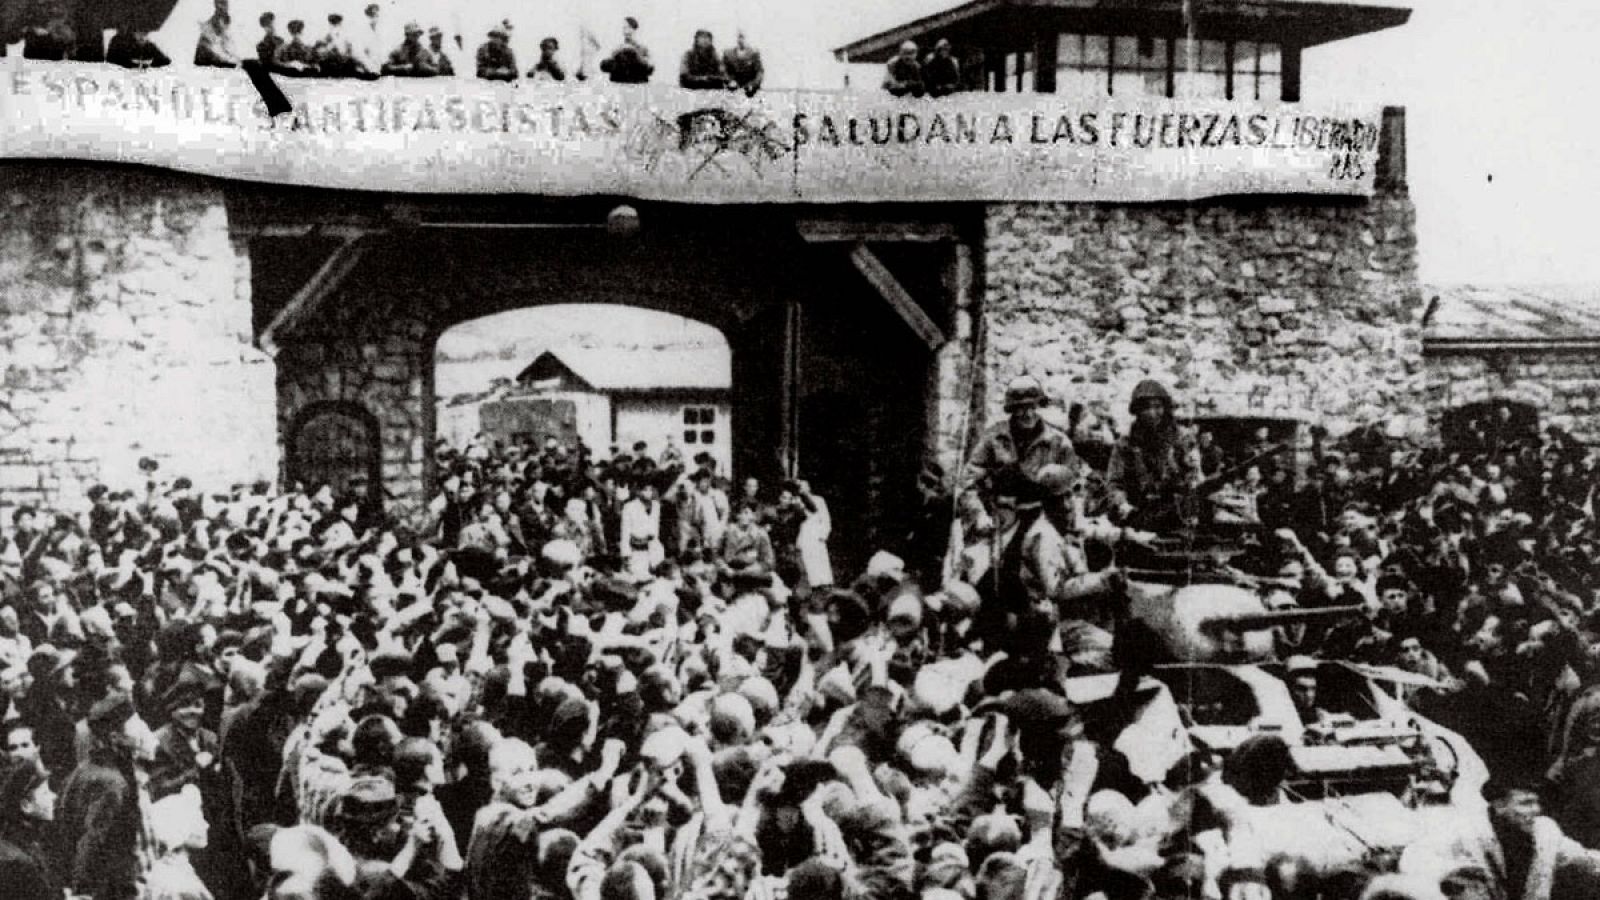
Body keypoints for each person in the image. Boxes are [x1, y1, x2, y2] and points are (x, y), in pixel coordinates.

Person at [960, 375, 1081, 537]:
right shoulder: (994, 438)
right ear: (1012, 409)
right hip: (1001, 519)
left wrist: (1071, 524)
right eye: (1021, 408)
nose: (1028, 414)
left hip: (1045, 519)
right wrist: (979, 516)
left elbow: (1074, 486)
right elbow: (968, 482)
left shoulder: (1058, 442)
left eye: (1033, 407)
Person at [1105, 379, 1202, 532]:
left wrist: (1191, 468)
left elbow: (1194, 477)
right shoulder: (1125, 443)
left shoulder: (1182, 438)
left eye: (1157, 407)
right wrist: (1123, 505)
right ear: (1137, 411)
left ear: (1166, 408)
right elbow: (1114, 483)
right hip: (1139, 513)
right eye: (1146, 408)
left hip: (1176, 511)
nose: (1152, 413)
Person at [0, 759, 57, 900]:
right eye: (45, 792)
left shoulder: (26, 845)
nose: (54, 796)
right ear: (26, 805)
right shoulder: (18, 862)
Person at [599, 17, 653, 84]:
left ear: (634, 30)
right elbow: (604, 66)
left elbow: (649, 68)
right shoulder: (617, 49)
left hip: (637, 85)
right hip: (619, 85)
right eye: (624, 28)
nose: (626, 31)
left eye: (628, 27)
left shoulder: (643, 49)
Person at [194, 0, 239, 68]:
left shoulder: (223, 18)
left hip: (208, 54)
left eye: (225, 4)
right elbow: (217, 42)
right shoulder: (217, 19)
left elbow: (223, 42)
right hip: (206, 55)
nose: (224, 7)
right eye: (222, 4)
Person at [313, 14, 356, 78]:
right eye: (334, 24)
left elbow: (349, 50)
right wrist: (328, 48)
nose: (336, 26)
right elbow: (319, 50)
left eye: (337, 24)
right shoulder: (327, 36)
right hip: (331, 61)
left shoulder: (344, 36)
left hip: (342, 61)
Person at [723, 31, 764, 96]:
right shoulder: (728, 54)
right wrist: (730, 81)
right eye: (739, 37)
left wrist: (753, 84)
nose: (741, 40)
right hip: (732, 90)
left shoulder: (754, 54)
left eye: (743, 37)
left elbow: (759, 72)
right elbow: (724, 70)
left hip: (751, 91)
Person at [106, 27, 171, 69]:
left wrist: (148, 65)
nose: (142, 37)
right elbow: (113, 62)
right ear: (133, 33)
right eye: (140, 33)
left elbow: (165, 61)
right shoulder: (120, 42)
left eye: (145, 34)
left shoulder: (148, 46)